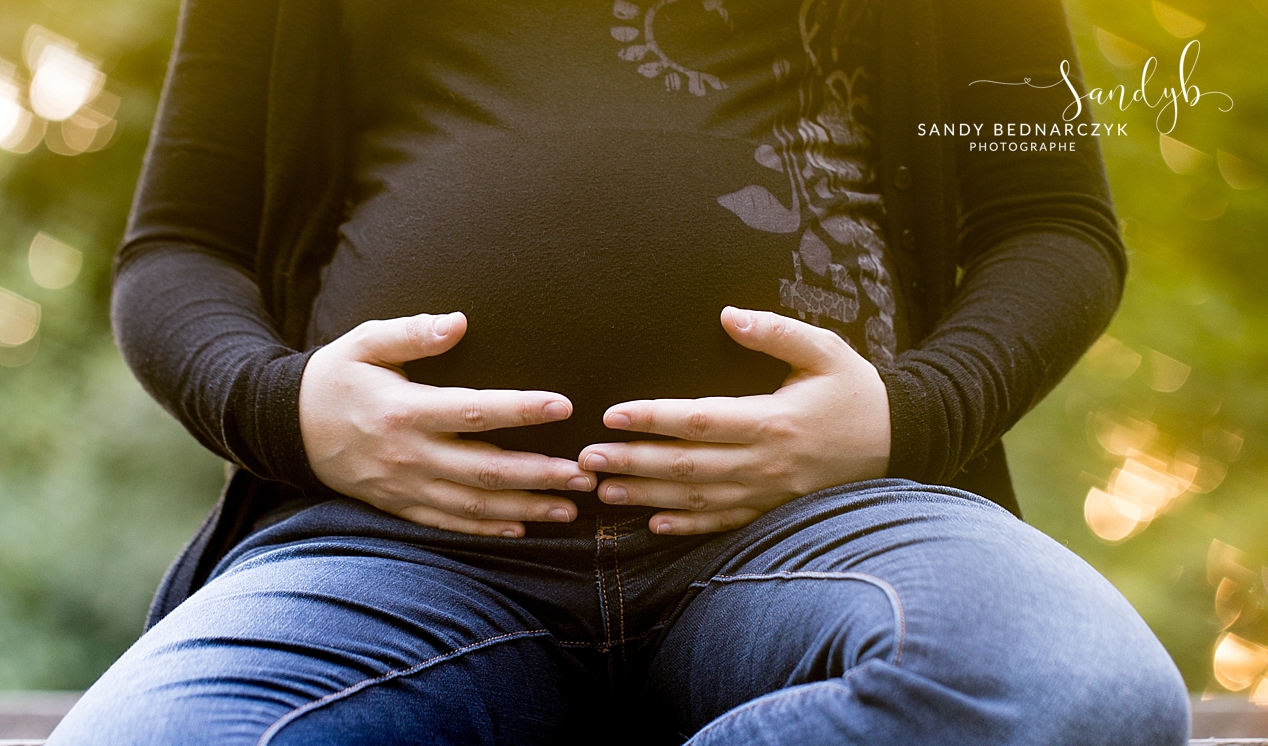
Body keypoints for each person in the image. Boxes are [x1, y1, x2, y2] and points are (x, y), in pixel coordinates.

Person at [48, 0, 1190, 743]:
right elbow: (178, 250)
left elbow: (1052, 228)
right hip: (391, 552)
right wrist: (288, 409)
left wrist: (907, 415)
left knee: (1072, 684)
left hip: (818, 528)